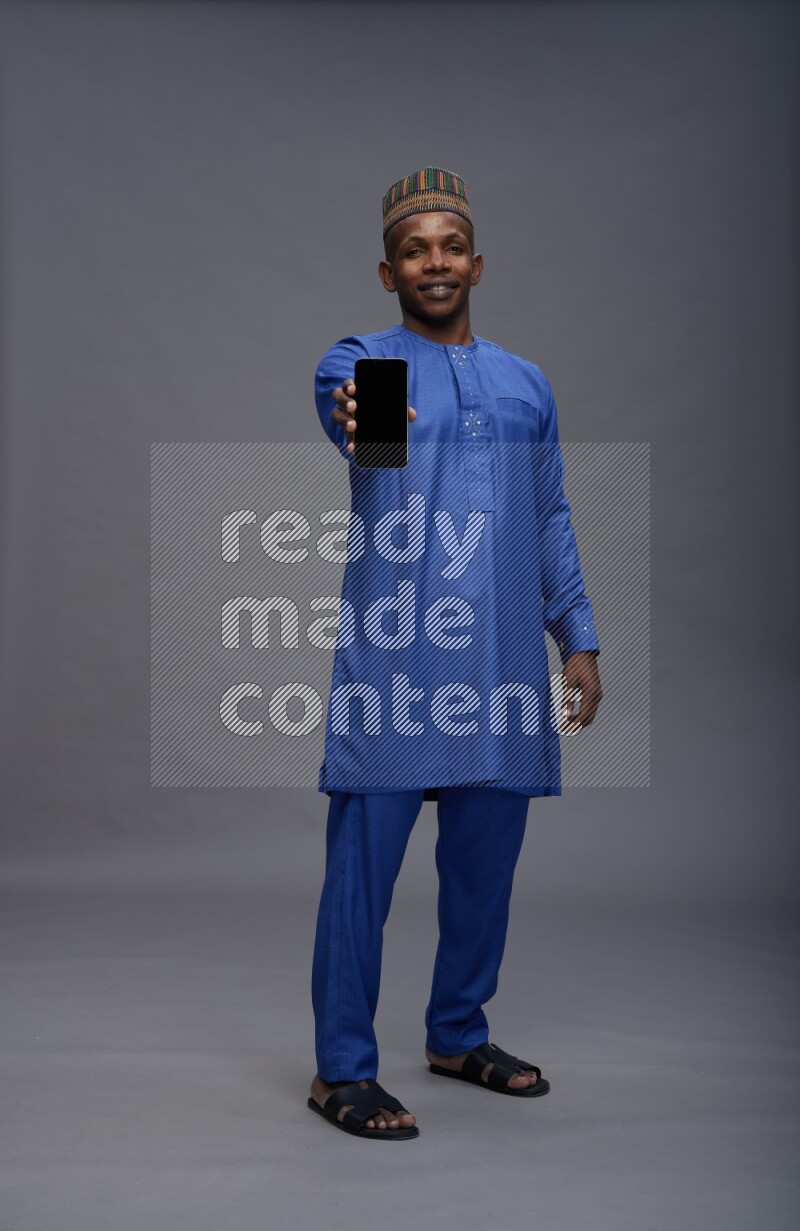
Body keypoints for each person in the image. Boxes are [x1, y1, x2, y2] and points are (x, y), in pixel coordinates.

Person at [307, 167, 603, 1140]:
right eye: (411, 249)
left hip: (501, 670)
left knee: (484, 874)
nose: (432, 261)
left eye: (447, 245)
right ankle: (341, 1070)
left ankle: (455, 1033)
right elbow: (368, 439)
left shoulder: (525, 384)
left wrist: (578, 639)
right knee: (362, 877)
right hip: (400, 668)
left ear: (474, 262)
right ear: (387, 272)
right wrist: (361, 412)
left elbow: (549, 514)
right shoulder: (368, 363)